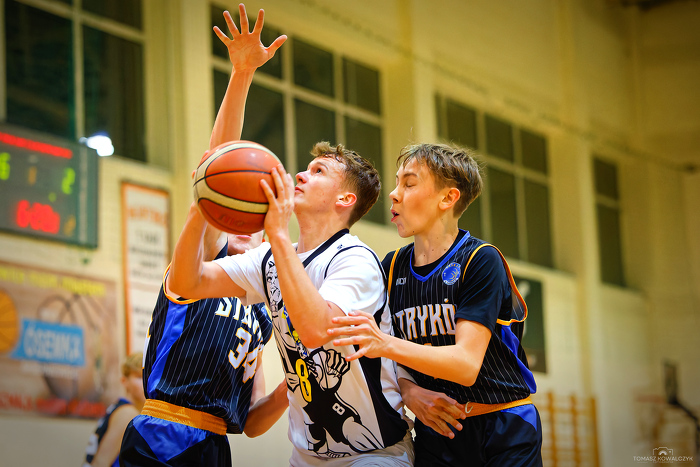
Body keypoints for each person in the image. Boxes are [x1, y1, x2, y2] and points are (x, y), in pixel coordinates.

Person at [167, 41, 414, 467]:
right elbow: (186, 283)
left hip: (374, 452)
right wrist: (199, 208)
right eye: (306, 167)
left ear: (345, 199)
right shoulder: (269, 258)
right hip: (308, 456)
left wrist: (278, 234)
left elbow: (316, 329)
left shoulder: (355, 259)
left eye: (318, 171)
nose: (300, 173)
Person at [119, 5, 288, 467]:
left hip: (215, 446)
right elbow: (218, 165)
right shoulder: (206, 264)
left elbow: (251, 422)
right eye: (236, 217)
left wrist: (297, 384)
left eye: (255, 222)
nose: (244, 227)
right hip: (162, 433)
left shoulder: (263, 310)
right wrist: (242, 75)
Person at [327, 143, 543, 466]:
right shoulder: (390, 268)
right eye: (397, 183)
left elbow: (466, 365)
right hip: (436, 430)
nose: (394, 194)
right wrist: (408, 391)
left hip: (502, 425)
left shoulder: (480, 259)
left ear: (447, 198)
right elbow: (386, 363)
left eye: (409, 184)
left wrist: (384, 343)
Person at [83, 352, 145, 467]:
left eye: (148, 377)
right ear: (124, 381)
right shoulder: (127, 413)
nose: (146, 383)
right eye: (139, 377)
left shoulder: (122, 408)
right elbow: (100, 463)